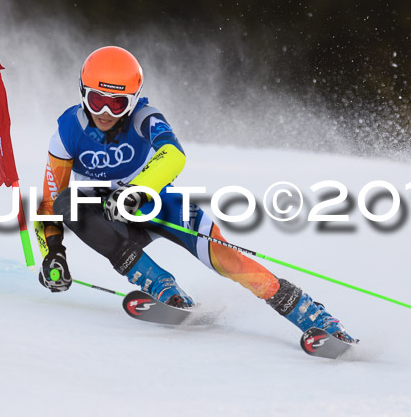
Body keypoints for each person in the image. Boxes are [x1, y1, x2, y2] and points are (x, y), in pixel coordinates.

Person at [35, 46, 355, 342]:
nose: (105, 111)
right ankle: (159, 285)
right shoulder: (67, 131)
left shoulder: (146, 118)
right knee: (68, 204)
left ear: (133, 101)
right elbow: (51, 199)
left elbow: (173, 155)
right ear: (82, 94)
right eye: (96, 100)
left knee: (229, 260)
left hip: (155, 206)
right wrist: (53, 252)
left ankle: (314, 318)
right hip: (107, 218)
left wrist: (137, 192)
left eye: (117, 103)